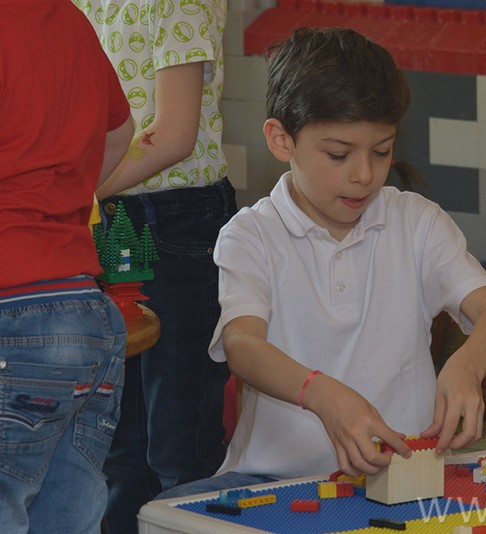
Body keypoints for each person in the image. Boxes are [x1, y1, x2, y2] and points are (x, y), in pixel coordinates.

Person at [158, 26, 486, 498]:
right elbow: (243, 344)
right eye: (338, 154)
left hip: (400, 477)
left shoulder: (416, 222)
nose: (364, 175)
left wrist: (467, 366)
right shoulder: (251, 234)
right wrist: (320, 393)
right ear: (282, 140)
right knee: (165, 511)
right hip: (273, 480)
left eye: (381, 151)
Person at [72, 1, 237, 531]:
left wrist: (77, 194)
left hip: (177, 218)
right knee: (118, 439)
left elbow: (174, 135)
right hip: (111, 213)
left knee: (179, 438)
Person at [0, 2, 134, 532]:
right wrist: (60, 202)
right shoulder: (69, 18)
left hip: (12, 314)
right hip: (84, 309)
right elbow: (119, 133)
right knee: (68, 517)